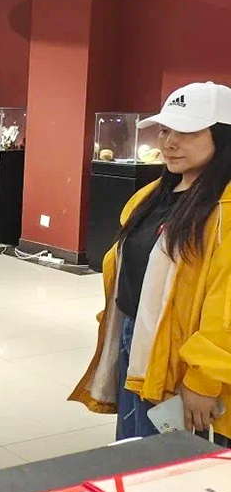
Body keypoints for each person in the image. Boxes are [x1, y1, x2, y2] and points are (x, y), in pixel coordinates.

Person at [71, 82, 231, 445]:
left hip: (189, 367)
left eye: (186, 132)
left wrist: (203, 380)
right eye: (165, 130)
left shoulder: (224, 211)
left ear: (223, 137)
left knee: (175, 466)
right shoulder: (150, 197)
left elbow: (225, 309)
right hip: (140, 345)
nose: (169, 142)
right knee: (136, 452)